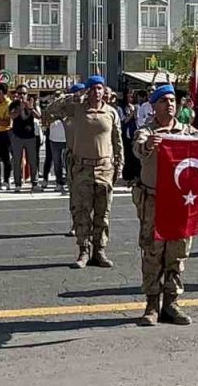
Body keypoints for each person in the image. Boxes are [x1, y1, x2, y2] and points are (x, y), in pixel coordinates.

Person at [132, 85, 198, 326]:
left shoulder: (188, 132)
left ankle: (171, 303)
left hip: (181, 203)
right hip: (154, 201)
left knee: (177, 253)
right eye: (163, 100)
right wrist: (149, 145)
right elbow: (139, 149)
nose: (170, 104)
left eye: (172, 100)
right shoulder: (147, 132)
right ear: (153, 106)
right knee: (153, 253)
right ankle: (152, 304)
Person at [47, 76, 123, 268]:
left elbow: (117, 141)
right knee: (82, 212)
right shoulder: (76, 110)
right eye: (93, 88)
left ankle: (100, 250)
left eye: (99, 88)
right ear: (87, 91)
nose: (96, 92)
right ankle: (83, 251)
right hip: (82, 168)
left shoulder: (111, 112)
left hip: (104, 168)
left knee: (102, 213)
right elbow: (50, 111)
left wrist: (119, 167)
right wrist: (72, 96)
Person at [8, 85, 42, 192]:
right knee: (17, 161)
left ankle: (34, 182)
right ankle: (18, 183)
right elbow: (12, 116)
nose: (22, 95)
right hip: (17, 136)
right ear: (17, 94)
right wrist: (20, 109)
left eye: (24, 93)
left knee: (33, 160)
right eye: (20, 93)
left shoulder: (32, 103)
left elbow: (38, 116)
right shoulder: (14, 104)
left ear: (27, 94)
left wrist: (30, 108)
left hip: (30, 136)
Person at [119, 90, 140, 186]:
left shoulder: (137, 106)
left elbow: (138, 120)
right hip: (126, 133)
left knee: (135, 156)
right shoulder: (122, 108)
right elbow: (123, 121)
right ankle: (127, 176)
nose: (130, 97)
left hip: (134, 133)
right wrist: (130, 114)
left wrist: (134, 113)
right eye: (128, 95)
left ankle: (136, 175)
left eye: (132, 96)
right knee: (127, 155)